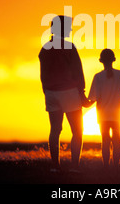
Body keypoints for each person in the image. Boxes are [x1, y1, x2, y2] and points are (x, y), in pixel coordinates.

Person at [39, 15, 87, 173]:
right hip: (69, 92)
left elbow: (43, 75)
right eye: (68, 27)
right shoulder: (69, 47)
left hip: (51, 93)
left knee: (55, 130)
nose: (71, 30)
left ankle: (55, 166)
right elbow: (78, 72)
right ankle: (74, 166)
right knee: (77, 131)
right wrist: (82, 93)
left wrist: (47, 91)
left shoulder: (44, 48)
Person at [87, 49, 120, 172]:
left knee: (105, 140)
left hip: (102, 116)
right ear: (114, 59)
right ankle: (116, 166)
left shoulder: (97, 77)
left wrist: (83, 102)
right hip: (117, 115)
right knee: (117, 139)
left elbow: (92, 98)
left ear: (100, 61)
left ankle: (106, 166)